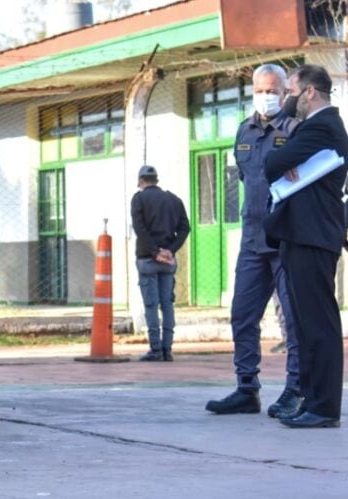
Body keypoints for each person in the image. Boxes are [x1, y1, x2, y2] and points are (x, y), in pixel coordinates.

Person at [205, 64, 303, 419]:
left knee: (293, 319)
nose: (266, 97)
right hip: (252, 239)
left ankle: (296, 390)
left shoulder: (295, 130)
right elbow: (248, 179)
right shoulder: (243, 131)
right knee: (242, 315)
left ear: (285, 92)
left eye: (272, 90)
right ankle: (247, 388)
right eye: (260, 90)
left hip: (286, 239)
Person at [263, 64, 347, 428]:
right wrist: (286, 159)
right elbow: (279, 164)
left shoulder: (322, 126)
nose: (286, 99)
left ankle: (324, 407)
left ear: (310, 92)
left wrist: (285, 159)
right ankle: (312, 402)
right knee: (306, 323)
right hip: (303, 234)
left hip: (312, 235)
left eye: (291, 92)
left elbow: (273, 163)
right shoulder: (315, 129)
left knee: (318, 323)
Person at [130, 165, 189, 362]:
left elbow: (140, 229)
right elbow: (185, 228)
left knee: (151, 305)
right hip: (168, 261)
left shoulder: (138, 199)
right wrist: (170, 250)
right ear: (156, 180)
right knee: (167, 304)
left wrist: (155, 252)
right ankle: (167, 349)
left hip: (147, 259)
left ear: (141, 181)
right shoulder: (174, 200)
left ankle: (155, 349)